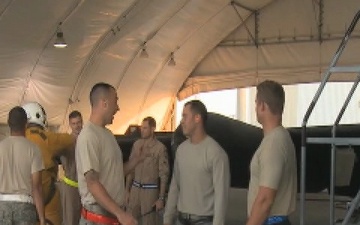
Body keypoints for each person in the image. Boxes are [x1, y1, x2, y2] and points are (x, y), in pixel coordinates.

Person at [76, 82, 147, 225]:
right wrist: (121, 214)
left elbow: (113, 173)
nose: (118, 108)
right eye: (116, 101)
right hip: (97, 218)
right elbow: (92, 182)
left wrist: (135, 160)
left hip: (111, 215)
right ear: (104, 103)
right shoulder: (89, 136)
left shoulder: (107, 135)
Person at [163, 100, 230, 225]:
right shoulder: (181, 150)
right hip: (180, 220)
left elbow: (221, 196)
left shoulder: (216, 153)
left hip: (204, 221)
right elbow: (174, 187)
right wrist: (167, 218)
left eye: (185, 116)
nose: (181, 121)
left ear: (197, 118)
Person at [246, 80, 297, 225]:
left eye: (256, 103)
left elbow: (265, 199)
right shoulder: (281, 137)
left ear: (262, 106)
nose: (255, 107)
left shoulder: (273, 143)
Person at [22, 102, 75, 225]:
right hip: (49, 206)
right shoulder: (48, 138)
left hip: (23, 204)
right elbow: (70, 140)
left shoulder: (17, 140)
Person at [0, 106, 45, 225]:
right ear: (26, 124)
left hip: (2, 208)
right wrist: (42, 219)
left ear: (9, 124)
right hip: (25, 208)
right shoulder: (34, 149)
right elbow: (37, 188)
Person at [125, 116, 170, 225]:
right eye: (141, 127)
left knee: (148, 221)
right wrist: (126, 190)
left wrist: (161, 198)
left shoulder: (160, 148)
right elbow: (131, 169)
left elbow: (163, 175)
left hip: (150, 192)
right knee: (130, 220)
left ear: (152, 128)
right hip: (135, 190)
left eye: (145, 128)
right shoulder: (137, 145)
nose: (142, 130)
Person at [59, 110, 83, 225]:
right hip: (70, 187)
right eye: (74, 123)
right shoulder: (65, 142)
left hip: (86, 188)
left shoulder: (88, 139)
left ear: (82, 122)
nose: (77, 126)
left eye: (78, 122)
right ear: (69, 124)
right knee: (70, 220)